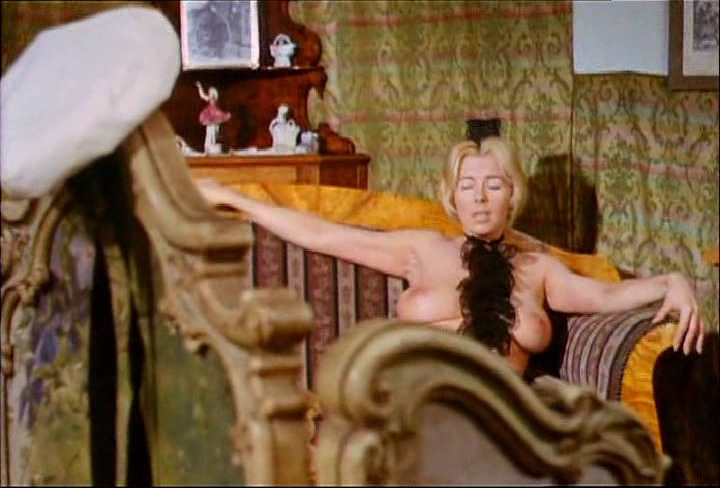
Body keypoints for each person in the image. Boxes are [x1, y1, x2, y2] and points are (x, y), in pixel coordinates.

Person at [194, 137, 705, 378]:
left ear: (512, 195)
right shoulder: (421, 248)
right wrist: (237, 199)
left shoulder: (538, 267)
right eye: (467, 186)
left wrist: (672, 282)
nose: (479, 199)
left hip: (504, 413)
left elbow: (607, 295)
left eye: (493, 186)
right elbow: (323, 235)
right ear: (451, 197)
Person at [196, 81, 231, 154]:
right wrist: (199, 87)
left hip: (215, 113)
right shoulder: (210, 98)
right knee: (210, 130)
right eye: (209, 92)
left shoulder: (215, 99)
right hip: (210, 114)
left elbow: (219, 107)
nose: (210, 93)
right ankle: (209, 146)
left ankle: (213, 144)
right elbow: (203, 96)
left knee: (215, 130)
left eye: (211, 92)